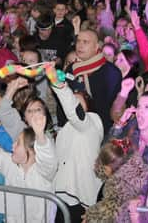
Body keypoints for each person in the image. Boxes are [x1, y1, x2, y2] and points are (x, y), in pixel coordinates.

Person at [0, 104, 58, 223]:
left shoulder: (44, 172)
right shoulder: (9, 163)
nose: (12, 146)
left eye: (18, 143)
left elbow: (49, 159)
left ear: (30, 149)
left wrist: (40, 137)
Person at [52, 78, 103, 223]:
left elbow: (75, 112)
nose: (72, 105)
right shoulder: (65, 131)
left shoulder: (91, 123)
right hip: (62, 196)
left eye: (78, 103)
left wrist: (60, 86)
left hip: (80, 198)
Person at [62, 29, 122, 133]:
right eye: (78, 41)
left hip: (99, 128)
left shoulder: (111, 72)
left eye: (85, 42)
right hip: (72, 127)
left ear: (96, 47)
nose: (80, 45)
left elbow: (111, 105)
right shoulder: (72, 68)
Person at [84, 139, 148, 222]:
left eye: (104, 168)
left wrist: (90, 216)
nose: (102, 169)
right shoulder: (135, 170)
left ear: (114, 168)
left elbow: (109, 210)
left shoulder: (119, 186)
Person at [110, 92, 148, 168]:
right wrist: (121, 122)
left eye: (146, 107)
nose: (140, 111)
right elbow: (108, 145)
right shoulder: (133, 124)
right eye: (139, 107)